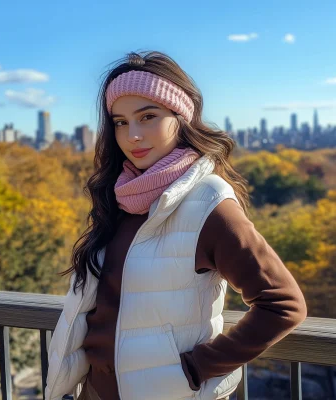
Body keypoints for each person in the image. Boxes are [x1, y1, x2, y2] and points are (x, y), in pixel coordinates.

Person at [45, 51, 307, 400]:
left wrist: (195, 369)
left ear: (181, 118)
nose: (132, 135)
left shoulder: (208, 202)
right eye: (120, 122)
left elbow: (283, 304)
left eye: (148, 116)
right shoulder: (121, 197)